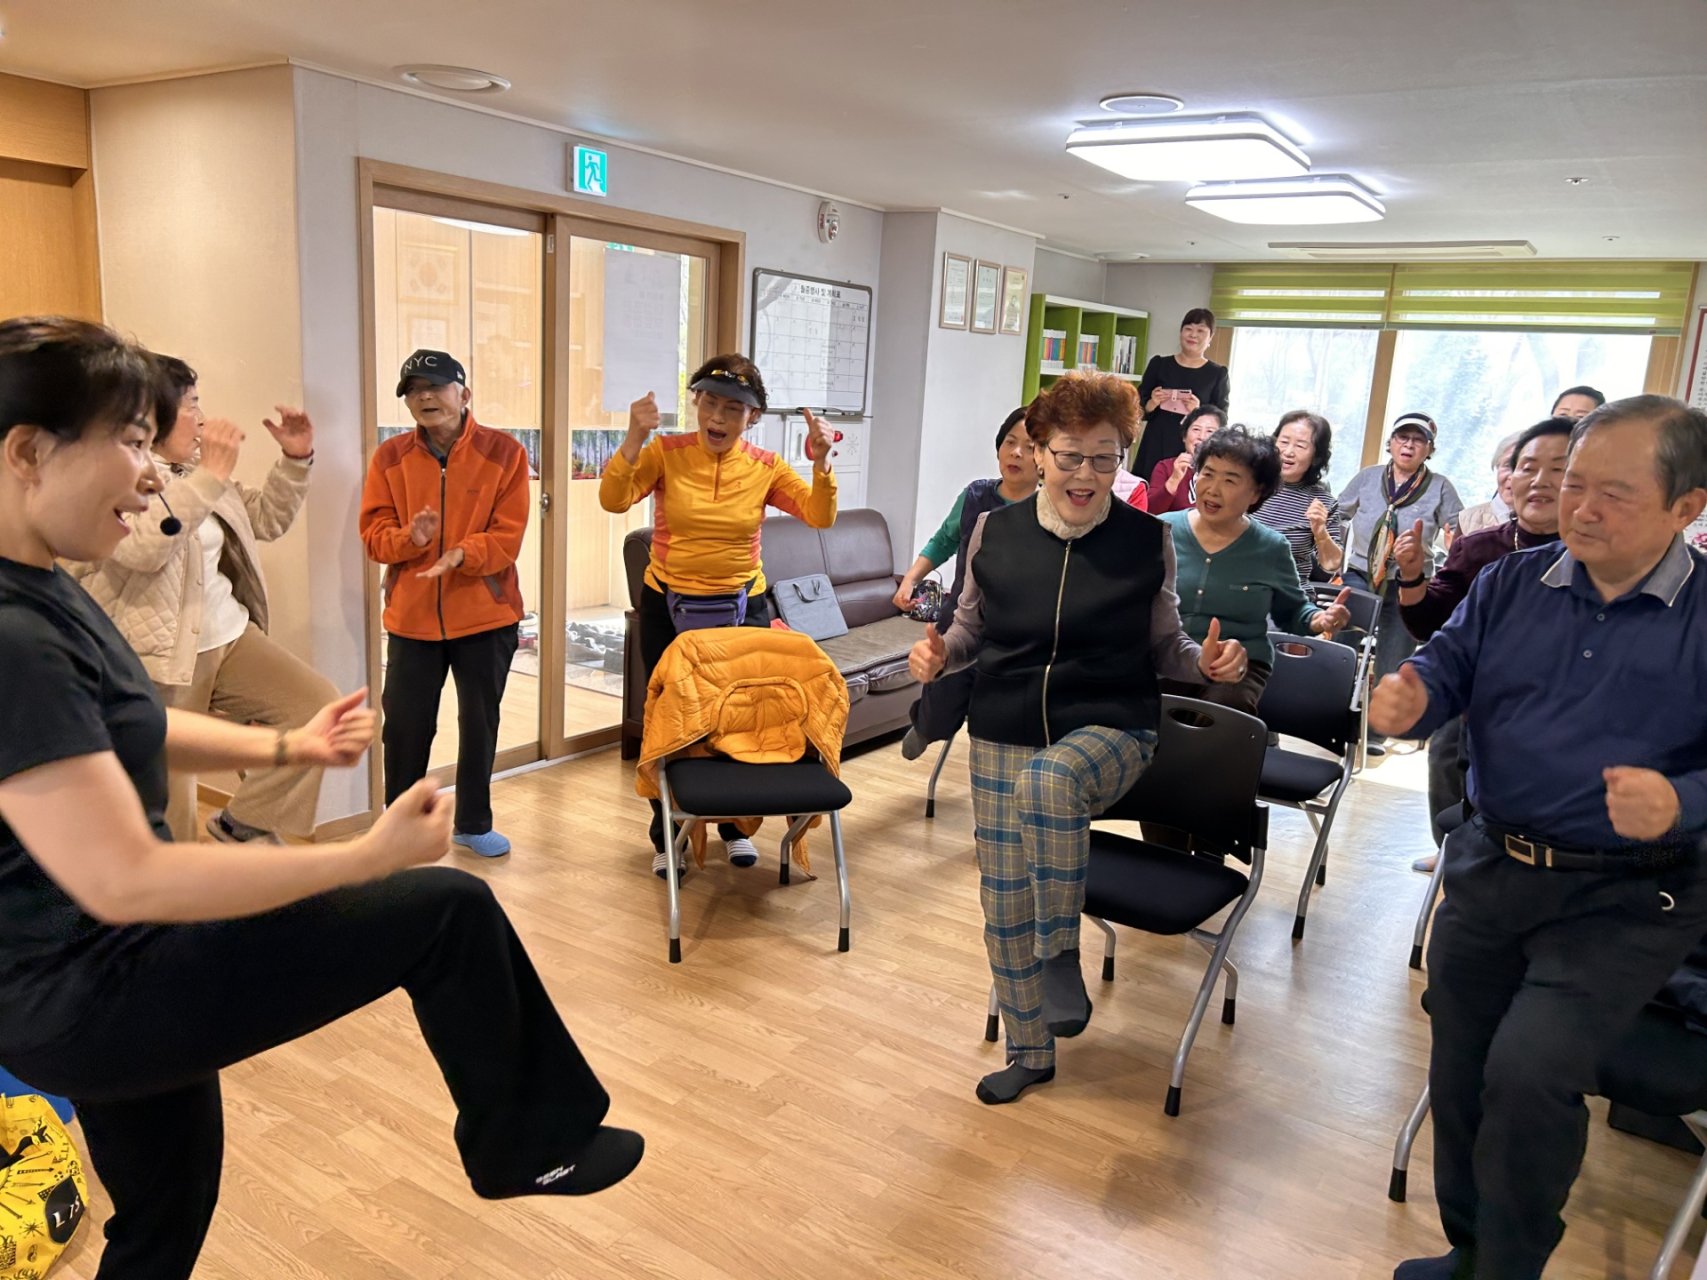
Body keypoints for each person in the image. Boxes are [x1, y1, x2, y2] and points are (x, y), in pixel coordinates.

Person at [0, 318, 642, 1280]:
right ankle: (529, 1142)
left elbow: (135, 722)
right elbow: (126, 879)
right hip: (92, 990)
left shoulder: (42, 584)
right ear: (27, 453)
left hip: (91, 981)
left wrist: (287, 743)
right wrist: (364, 858)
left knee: (166, 1211)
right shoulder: (14, 634)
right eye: (131, 440)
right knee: (444, 911)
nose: (149, 471)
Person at [1371, 395, 1707, 1280]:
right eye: (1573, 485)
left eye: (1613, 494)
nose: (1580, 508)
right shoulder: (1512, 583)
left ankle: (1508, 1269)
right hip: (1493, 866)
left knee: (1528, 1072)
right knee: (1461, 1064)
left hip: (1627, 894)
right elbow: (1445, 666)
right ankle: (1471, 1250)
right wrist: (1414, 696)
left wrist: (1681, 800)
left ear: (1686, 506)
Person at [906, 371, 1248, 1106]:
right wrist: (939, 657)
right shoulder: (994, 531)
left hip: (1111, 726)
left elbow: (1168, 646)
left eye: (1104, 457)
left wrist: (1206, 663)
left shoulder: (1146, 540)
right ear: (1038, 453)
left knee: (1051, 780)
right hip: (1003, 726)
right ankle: (1031, 1052)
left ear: (1122, 458)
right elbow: (968, 632)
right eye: (1069, 456)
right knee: (1005, 905)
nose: (1085, 474)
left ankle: (1060, 951)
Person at [75, 355, 336, 845]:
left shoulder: (195, 471)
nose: (202, 419)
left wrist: (295, 459)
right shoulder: (121, 474)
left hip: (229, 636)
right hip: (159, 657)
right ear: (152, 416)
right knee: (171, 801)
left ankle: (241, 825)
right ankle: (171, 887)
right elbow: (144, 549)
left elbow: (266, 519)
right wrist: (209, 476)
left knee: (316, 707)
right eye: (192, 405)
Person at [599, 354, 837, 875]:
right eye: (709, 402)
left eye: (733, 408)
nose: (718, 417)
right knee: (671, 721)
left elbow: (819, 514)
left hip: (742, 607)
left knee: (741, 715)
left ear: (752, 417)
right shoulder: (666, 453)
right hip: (667, 607)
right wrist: (635, 437)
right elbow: (614, 499)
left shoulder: (766, 466)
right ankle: (668, 837)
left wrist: (821, 464)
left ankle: (735, 827)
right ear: (696, 403)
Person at [360, 350, 529, 859]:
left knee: (479, 724)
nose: (425, 397)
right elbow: (374, 537)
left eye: (434, 386)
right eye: (414, 390)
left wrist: (461, 554)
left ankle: (473, 823)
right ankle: (400, 827)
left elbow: (507, 536)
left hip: (486, 615)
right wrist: (410, 540)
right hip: (412, 619)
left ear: (464, 394)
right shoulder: (389, 458)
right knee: (404, 729)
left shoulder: (505, 452)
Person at [1395, 417, 1571, 872]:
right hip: (1476, 691)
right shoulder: (1479, 546)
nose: (1539, 480)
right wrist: (1411, 576)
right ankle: (1454, 849)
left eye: (1559, 469)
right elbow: (1428, 622)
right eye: (1525, 466)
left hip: (1551, 707)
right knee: (1446, 747)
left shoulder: (1594, 555)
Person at [1161, 428, 1351, 715]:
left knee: (1220, 714)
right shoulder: (1161, 530)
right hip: (1167, 655)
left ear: (1256, 493)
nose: (1213, 489)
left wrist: (1319, 619)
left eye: (1230, 480)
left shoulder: (1271, 547)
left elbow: (1293, 612)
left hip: (1239, 662)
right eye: (1207, 474)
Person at [894, 407, 1034, 761]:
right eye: (1010, 442)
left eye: (1030, 447)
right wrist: (911, 579)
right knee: (942, 697)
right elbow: (944, 540)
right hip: (961, 615)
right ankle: (926, 725)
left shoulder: (1047, 508)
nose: (1016, 453)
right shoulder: (975, 496)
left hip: (1017, 629)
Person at [1338, 412, 1464, 693]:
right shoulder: (1368, 477)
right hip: (1361, 574)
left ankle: (1380, 718)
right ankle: (1330, 703)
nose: (1409, 445)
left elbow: (1460, 530)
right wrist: (1330, 550)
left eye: (1419, 440)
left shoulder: (1441, 486)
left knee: (1394, 664)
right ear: (1391, 443)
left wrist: (1452, 542)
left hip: (1409, 583)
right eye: (1402, 437)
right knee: (1340, 644)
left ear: (1429, 450)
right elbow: (1337, 514)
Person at [1133, 308, 1231, 481]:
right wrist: (1152, 402)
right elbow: (1137, 408)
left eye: (1200, 331)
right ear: (1181, 332)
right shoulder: (1159, 364)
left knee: (1183, 489)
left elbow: (1221, 418)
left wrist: (1198, 411)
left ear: (1210, 337)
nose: (1193, 335)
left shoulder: (1217, 373)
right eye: (1188, 328)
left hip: (1193, 445)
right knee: (1148, 487)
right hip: (1156, 441)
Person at [1253, 409, 1345, 583]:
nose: (1288, 452)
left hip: (1289, 591)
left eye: (1300, 446)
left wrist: (1320, 532)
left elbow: (1331, 564)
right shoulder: (1250, 485)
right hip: (1240, 584)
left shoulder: (1322, 502)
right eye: (1284, 442)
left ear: (1316, 456)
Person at [1142, 404, 1226, 514]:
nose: (1202, 437)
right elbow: (1150, 511)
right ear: (1184, 436)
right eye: (1196, 429)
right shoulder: (1165, 467)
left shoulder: (1226, 471)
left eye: (1210, 431)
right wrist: (1174, 479)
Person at [1454, 430, 1523, 537]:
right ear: (1497, 466)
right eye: (1507, 465)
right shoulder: (1467, 520)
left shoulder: (1547, 523)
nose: (1513, 476)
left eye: (1526, 469)